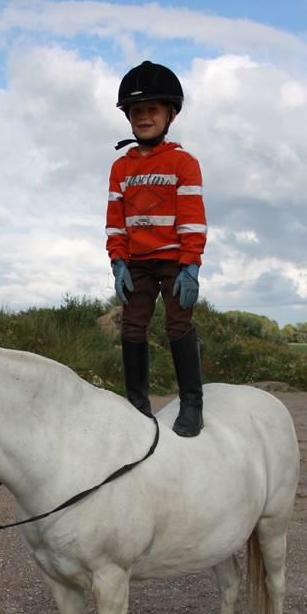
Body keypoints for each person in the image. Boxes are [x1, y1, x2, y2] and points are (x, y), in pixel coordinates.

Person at [105, 61, 208, 437]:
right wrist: (117, 261)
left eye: (152, 110)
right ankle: (137, 404)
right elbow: (115, 220)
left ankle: (192, 404)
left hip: (175, 261)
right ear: (128, 118)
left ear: (171, 113)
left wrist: (190, 265)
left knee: (178, 324)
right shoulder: (120, 167)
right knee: (132, 327)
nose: (144, 117)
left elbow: (193, 219)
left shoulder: (184, 163)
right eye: (136, 111)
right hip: (137, 263)